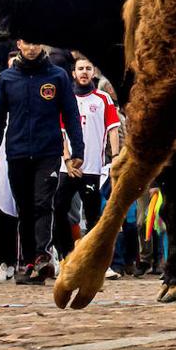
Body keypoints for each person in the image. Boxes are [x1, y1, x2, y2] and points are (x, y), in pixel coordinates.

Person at [0, 40, 84, 283]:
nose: (31, 48)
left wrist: (77, 149)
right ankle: (30, 262)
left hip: (47, 152)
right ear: (19, 44)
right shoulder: (7, 78)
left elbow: (71, 113)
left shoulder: (57, 76)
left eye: (36, 43)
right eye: (27, 43)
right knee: (25, 207)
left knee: (42, 202)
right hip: (16, 151)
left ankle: (42, 256)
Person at [52, 58, 118, 264]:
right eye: (80, 69)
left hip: (92, 168)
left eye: (88, 68)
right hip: (68, 167)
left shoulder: (103, 98)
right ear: (73, 73)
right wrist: (68, 159)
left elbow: (113, 129)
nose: (84, 72)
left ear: (94, 72)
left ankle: (95, 262)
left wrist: (115, 157)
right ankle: (67, 256)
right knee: (59, 210)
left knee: (93, 218)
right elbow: (60, 132)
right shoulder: (66, 98)